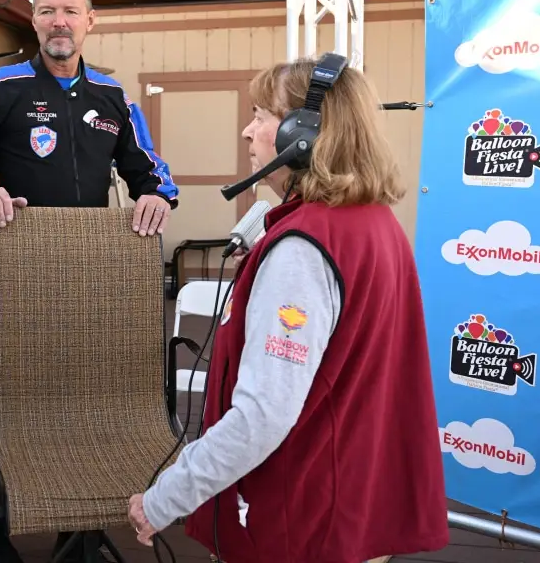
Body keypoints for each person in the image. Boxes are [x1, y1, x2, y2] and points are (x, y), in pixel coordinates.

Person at [126, 57, 450, 562]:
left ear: (303, 135)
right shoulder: (375, 223)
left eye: (260, 115)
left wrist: (163, 500)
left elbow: (262, 416)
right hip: (352, 507)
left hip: (303, 521)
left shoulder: (302, 248)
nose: (247, 131)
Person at [0, 0, 179, 236]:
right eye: (47, 11)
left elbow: (147, 167)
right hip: (20, 246)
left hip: (94, 244)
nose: (59, 22)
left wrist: (157, 195)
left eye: (71, 12)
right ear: (34, 20)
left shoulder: (112, 95)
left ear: (89, 20)